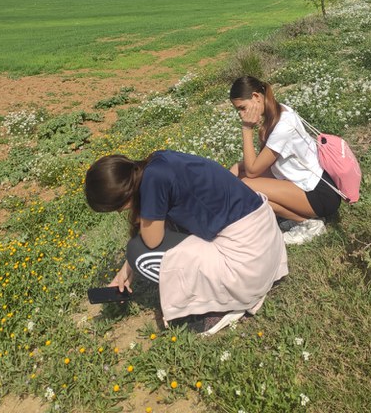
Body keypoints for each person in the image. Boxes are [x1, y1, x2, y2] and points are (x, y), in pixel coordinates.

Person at [84, 148, 288, 336]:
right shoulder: (157, 162)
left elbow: (151, 242)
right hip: (267, 246)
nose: (122, 212)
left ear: (123, 199)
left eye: (118, 209)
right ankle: (225, 290)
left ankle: (220, 306)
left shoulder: (153, 181)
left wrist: (131, 261)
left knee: (139, 253)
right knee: (149, 243)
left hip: (247, 266)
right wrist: (124, 272)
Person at [229, 75, 341, 245]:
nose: (241, 115)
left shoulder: (283, 126)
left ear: (256, 97)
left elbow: (253, 171)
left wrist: (246, 128)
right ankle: (298, 217)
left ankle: (309, 223)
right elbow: (256, 165)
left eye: (243, 108)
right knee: (238, 174)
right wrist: (235, 169)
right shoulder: (278, 111)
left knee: (245, 186)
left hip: (320, 194)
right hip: (306, 183)